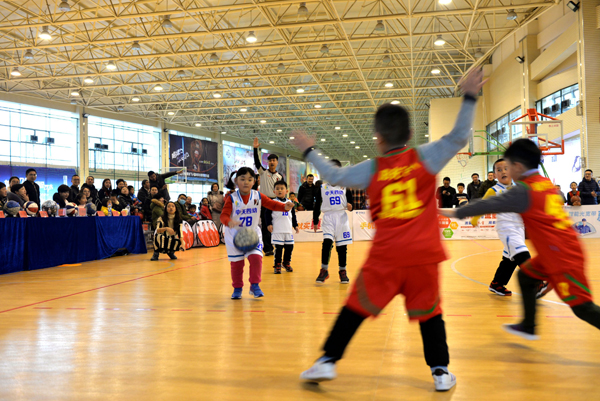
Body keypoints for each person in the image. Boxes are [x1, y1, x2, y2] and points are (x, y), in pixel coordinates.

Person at [294, 69, 485, 391]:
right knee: (430, 312)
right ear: (409, 133)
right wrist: (469, 96)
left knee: (354, 308)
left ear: (378, 137)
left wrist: (310, 150)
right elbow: (458, 136)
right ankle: (440, 372)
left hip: (386, 256)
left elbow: (334, 176)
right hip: (424, 255)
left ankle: (327, 361)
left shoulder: (372, 169)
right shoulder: (425, 157)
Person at [442, 138, 600, 342]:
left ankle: (528, 323)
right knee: (525, 275)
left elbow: (483, 206)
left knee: (583, 308)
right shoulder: (544, 183)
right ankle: (528, 326)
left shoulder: (523, 190)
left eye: (508, 166)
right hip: (556, 250)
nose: (505, 171)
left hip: (562, 257)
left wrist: (449, 212)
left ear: (517, 166)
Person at [471, 158, 549, 297]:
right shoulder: (494, 190)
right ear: (495, 175)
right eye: (499, 170)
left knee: (510, 259)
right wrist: (475, 218)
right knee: (522, 254)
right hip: (506, 228)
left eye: (506, 169)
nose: (503, 172)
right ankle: (536, 283)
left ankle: (497, 284)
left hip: (519, 228)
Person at [220, 167, 293, 299]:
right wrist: (228, 221)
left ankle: (255, 285)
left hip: (252, 234)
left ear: (254, 182)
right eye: (242, 179)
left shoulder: (258, 196)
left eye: (249, 179)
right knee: (237, 265)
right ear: (236, 181)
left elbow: (272, 204)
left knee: (256, 258)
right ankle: (237, 288)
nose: (246, 182)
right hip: (235, 235)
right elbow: (223, 215)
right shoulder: (231, 198)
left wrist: (284, 207)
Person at [312, 161, 353, 284]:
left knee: (342, 247)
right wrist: (315, 220)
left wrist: (351, 206)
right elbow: (317, 205)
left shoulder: (345, 186)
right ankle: (324, 270)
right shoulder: (322, 187)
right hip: (328, 217)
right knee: (327, 243)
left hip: (341, 217)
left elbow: (351, 203)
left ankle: (342, 271)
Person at [253, 137, 283, 256]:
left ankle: (277, 245)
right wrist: (255, 149)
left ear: (277, 162)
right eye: (270, 160)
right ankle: (268, 248)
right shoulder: (263, 172)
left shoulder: (280, 177)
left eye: (274, 160)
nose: (272, 162)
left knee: (276, 224)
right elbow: (256, 162)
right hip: (265, 201)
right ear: (268, 162)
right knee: (266, 225)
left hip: (276, 202)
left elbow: (282, 191)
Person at [264, 180, 299, 274]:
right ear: (274, 191)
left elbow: (293, 216)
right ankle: (277, 264)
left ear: (286, 191)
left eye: (282, 188)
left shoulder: (290, 202)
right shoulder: (272, 202)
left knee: (290, 247)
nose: (280, 190)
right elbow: (267, 214)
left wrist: (295, 225)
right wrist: (269, 224)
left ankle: (286, 263)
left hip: (288, 230)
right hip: (277, 230)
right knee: (278, 248)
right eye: (277, 189)